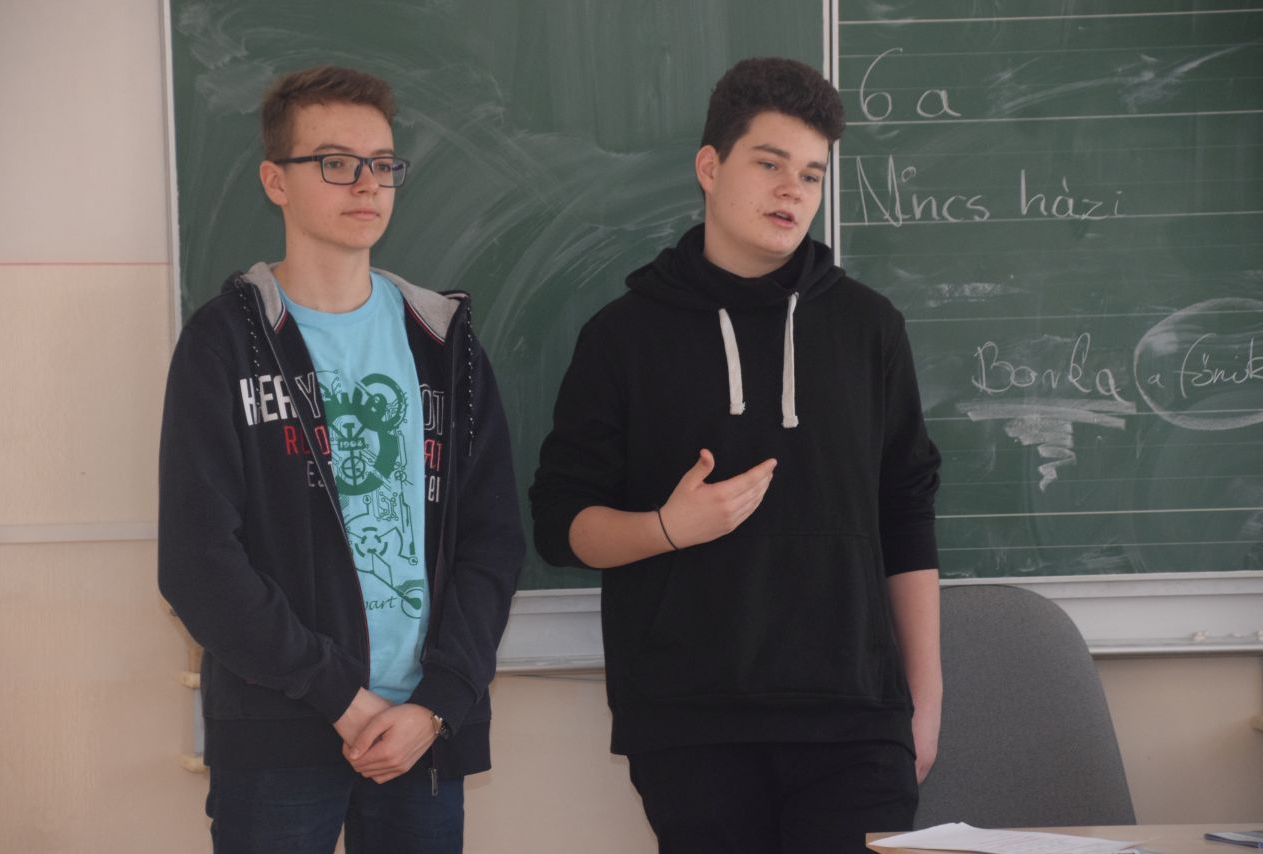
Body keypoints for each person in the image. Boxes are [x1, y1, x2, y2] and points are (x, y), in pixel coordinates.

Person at [529, 57, 942, 853]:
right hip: (691, 726)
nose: (793, 190)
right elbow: (559, 523)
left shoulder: (869, 329)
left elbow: (908, 512)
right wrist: (667, 527)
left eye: (812, 175)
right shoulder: (622, 337)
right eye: (770, 164)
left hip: (855, 720)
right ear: (710, 168)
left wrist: (923, 704)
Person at [158, 65, 524, 854]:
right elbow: (197, 563)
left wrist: (438, 703)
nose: (366, 184)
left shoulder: (443, 343)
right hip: (281, 735)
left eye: (382, 164)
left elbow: (492, 541)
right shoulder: (224, 343)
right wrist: (342, 699)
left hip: (421, 735)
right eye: (335, 162)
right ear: (275, 182)